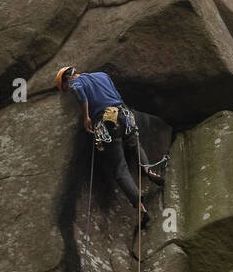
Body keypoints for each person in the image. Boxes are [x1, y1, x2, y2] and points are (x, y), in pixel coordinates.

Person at [56, 65, 163, 229]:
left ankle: (142, 209)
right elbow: (116, 94)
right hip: (123, 113)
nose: (68, 90)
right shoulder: (102, 75)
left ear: (67, 78)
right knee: (134, 144)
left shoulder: (75, 83)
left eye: (65, 87)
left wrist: (86, 117)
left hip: (106, 121)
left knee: (120, 169)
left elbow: (80, 92)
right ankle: (148, 171)